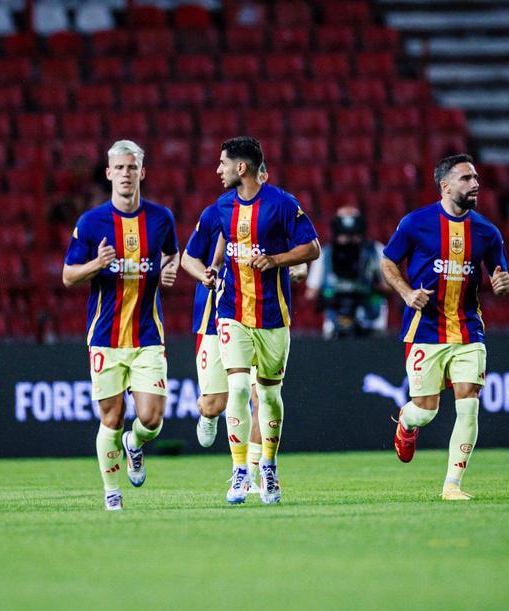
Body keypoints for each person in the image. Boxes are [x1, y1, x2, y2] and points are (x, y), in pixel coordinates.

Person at [194, 136, 320, 505]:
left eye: (223, 164)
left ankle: (268, 463)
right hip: (232, 312)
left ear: (241, 167)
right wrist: (211, 270)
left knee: (268, 395)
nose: (218, 170)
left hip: (272, 317)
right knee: (236, 390)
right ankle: (239, 472)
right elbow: (199, 252)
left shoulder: (282, 204)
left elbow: (312, 247)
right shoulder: (220, 207)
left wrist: (277, 260)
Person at [380, 154, 509, 499]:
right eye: (466, 178)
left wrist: (503, 283)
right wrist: (407, 293)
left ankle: (452, 485)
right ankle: (406, 423)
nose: (475, 184)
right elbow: (388, 261)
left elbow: (501, 274)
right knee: (426, 410)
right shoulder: (415, 223)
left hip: (469, 329)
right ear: (445, 185)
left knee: (469, 401)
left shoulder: (487, 231)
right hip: (425, 330)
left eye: (476, 178)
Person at [62, 140, 179, 511]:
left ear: (142, 172)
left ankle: (135, 444)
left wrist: (171, 268)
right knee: (111, 418)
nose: (126, 174)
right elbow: (68, 275)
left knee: (151, 419)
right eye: (119, 168)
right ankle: (112, 493)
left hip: (147, 335)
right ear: (109, 173)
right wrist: (96, 265)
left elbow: (171, 253)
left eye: (133, 168)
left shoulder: (161, 218)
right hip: (105, 337)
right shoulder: (91, 222)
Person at [305, 205, 389, 338]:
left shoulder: (376, 251)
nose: (349, 240)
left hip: (371, 321)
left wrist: (370, 287)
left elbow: (391, 286)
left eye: (353, 234)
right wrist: (328, 295)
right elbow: (311, 293)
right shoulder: (325, 254)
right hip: (335, 322)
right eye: (344, 234)